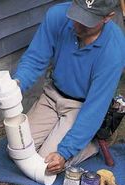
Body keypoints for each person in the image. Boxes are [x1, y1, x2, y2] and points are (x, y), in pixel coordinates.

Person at [13, 0, 125, 174]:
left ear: (107, 17)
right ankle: (71, 136)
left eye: (87, 22)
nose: (77, 26)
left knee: (46, 164)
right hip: (52, 95)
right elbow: (35, 58)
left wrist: (64, 153)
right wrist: (17, 85)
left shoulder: (114, 49)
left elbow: (95, 108)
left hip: (81, 106)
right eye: (76, 16)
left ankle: (92, 142)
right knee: (18, 150)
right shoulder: (57, 15)